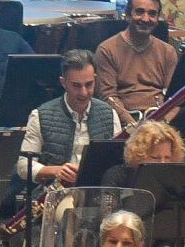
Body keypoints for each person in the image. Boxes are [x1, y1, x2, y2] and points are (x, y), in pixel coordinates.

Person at [19, 51, 123, 186]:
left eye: (89, 84)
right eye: (76, 85)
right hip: (55, 194)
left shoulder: (110, 114)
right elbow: (23, 166)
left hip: (97, 192)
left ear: (95, 79)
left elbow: (119, 163)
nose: (84, 92)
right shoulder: (40, 115)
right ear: (63, 82)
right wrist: (55, 170)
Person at [93, 0, 179, 120]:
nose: (145, 19)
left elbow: (175, 97)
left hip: (160, 122)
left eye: (152, 14)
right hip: (125, 123)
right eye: (139, 12)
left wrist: (164, 123)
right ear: (128, 15)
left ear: (157, 18)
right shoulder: (106, 50)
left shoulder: (168, 52)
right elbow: (108, 97)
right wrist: (133, 127)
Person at [101, 120, 185, 189]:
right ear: (139, 155)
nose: (162, 163)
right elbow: (107, 208)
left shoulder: (178, 179)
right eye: (155, 158)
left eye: (167, 157)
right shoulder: (116, 177)